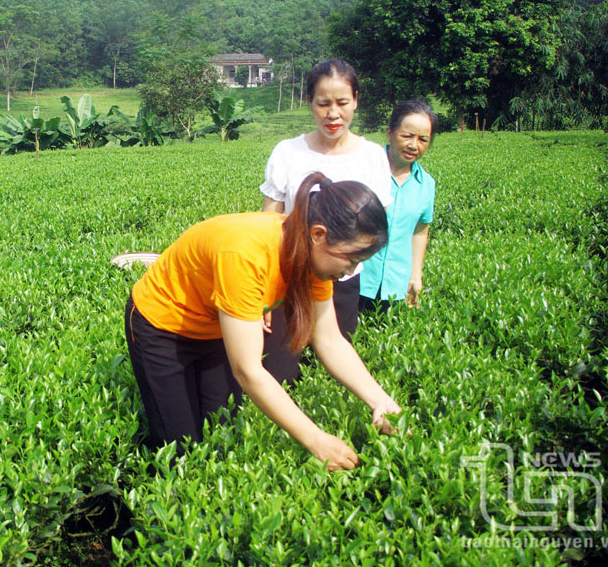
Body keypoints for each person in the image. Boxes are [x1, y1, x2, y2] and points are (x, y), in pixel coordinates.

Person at [125, 172, 402, 469]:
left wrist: (381, 402)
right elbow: (248, 370)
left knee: (221, 433)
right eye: (351, 259)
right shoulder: (245, 254)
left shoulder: (313, 257)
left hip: (216, 325)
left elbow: (329, 338)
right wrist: (315, 440)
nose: (351, 270)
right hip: (163, 325)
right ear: (319, 234)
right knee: (179, 449)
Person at [260, 59, 392, 342]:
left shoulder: (372, 156)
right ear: (309, 102)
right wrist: (265, 286)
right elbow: (269, 221)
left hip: (343, 280)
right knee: (282, 366)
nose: (333, 114)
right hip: (290, 278)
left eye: (342, 102)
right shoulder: (287, 152)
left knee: (332, 360)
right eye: (323, 103)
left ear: (356, 101)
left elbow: (374, 227)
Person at [359, 99, 437, 310]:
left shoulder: (426, 184)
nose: (414, 145)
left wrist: (416, 275)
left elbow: (420, 231)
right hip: (355, 280)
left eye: (423, 139)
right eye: (407, 136)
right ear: (390, 132)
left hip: (396, 288)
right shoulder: (363, 170)